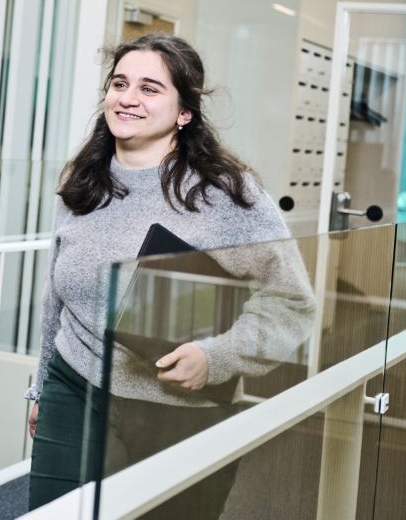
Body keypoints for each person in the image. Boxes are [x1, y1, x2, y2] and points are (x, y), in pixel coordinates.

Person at [26, 34, 315, 515]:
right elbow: (55, 298)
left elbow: (291, 302)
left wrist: (217, 356)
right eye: (120, 83)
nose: (128, 98)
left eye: (150, 88)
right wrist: (41, 387)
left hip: (181, 411)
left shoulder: (225, 194)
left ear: (185, 113)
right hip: (74, 386)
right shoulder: (84, 179)